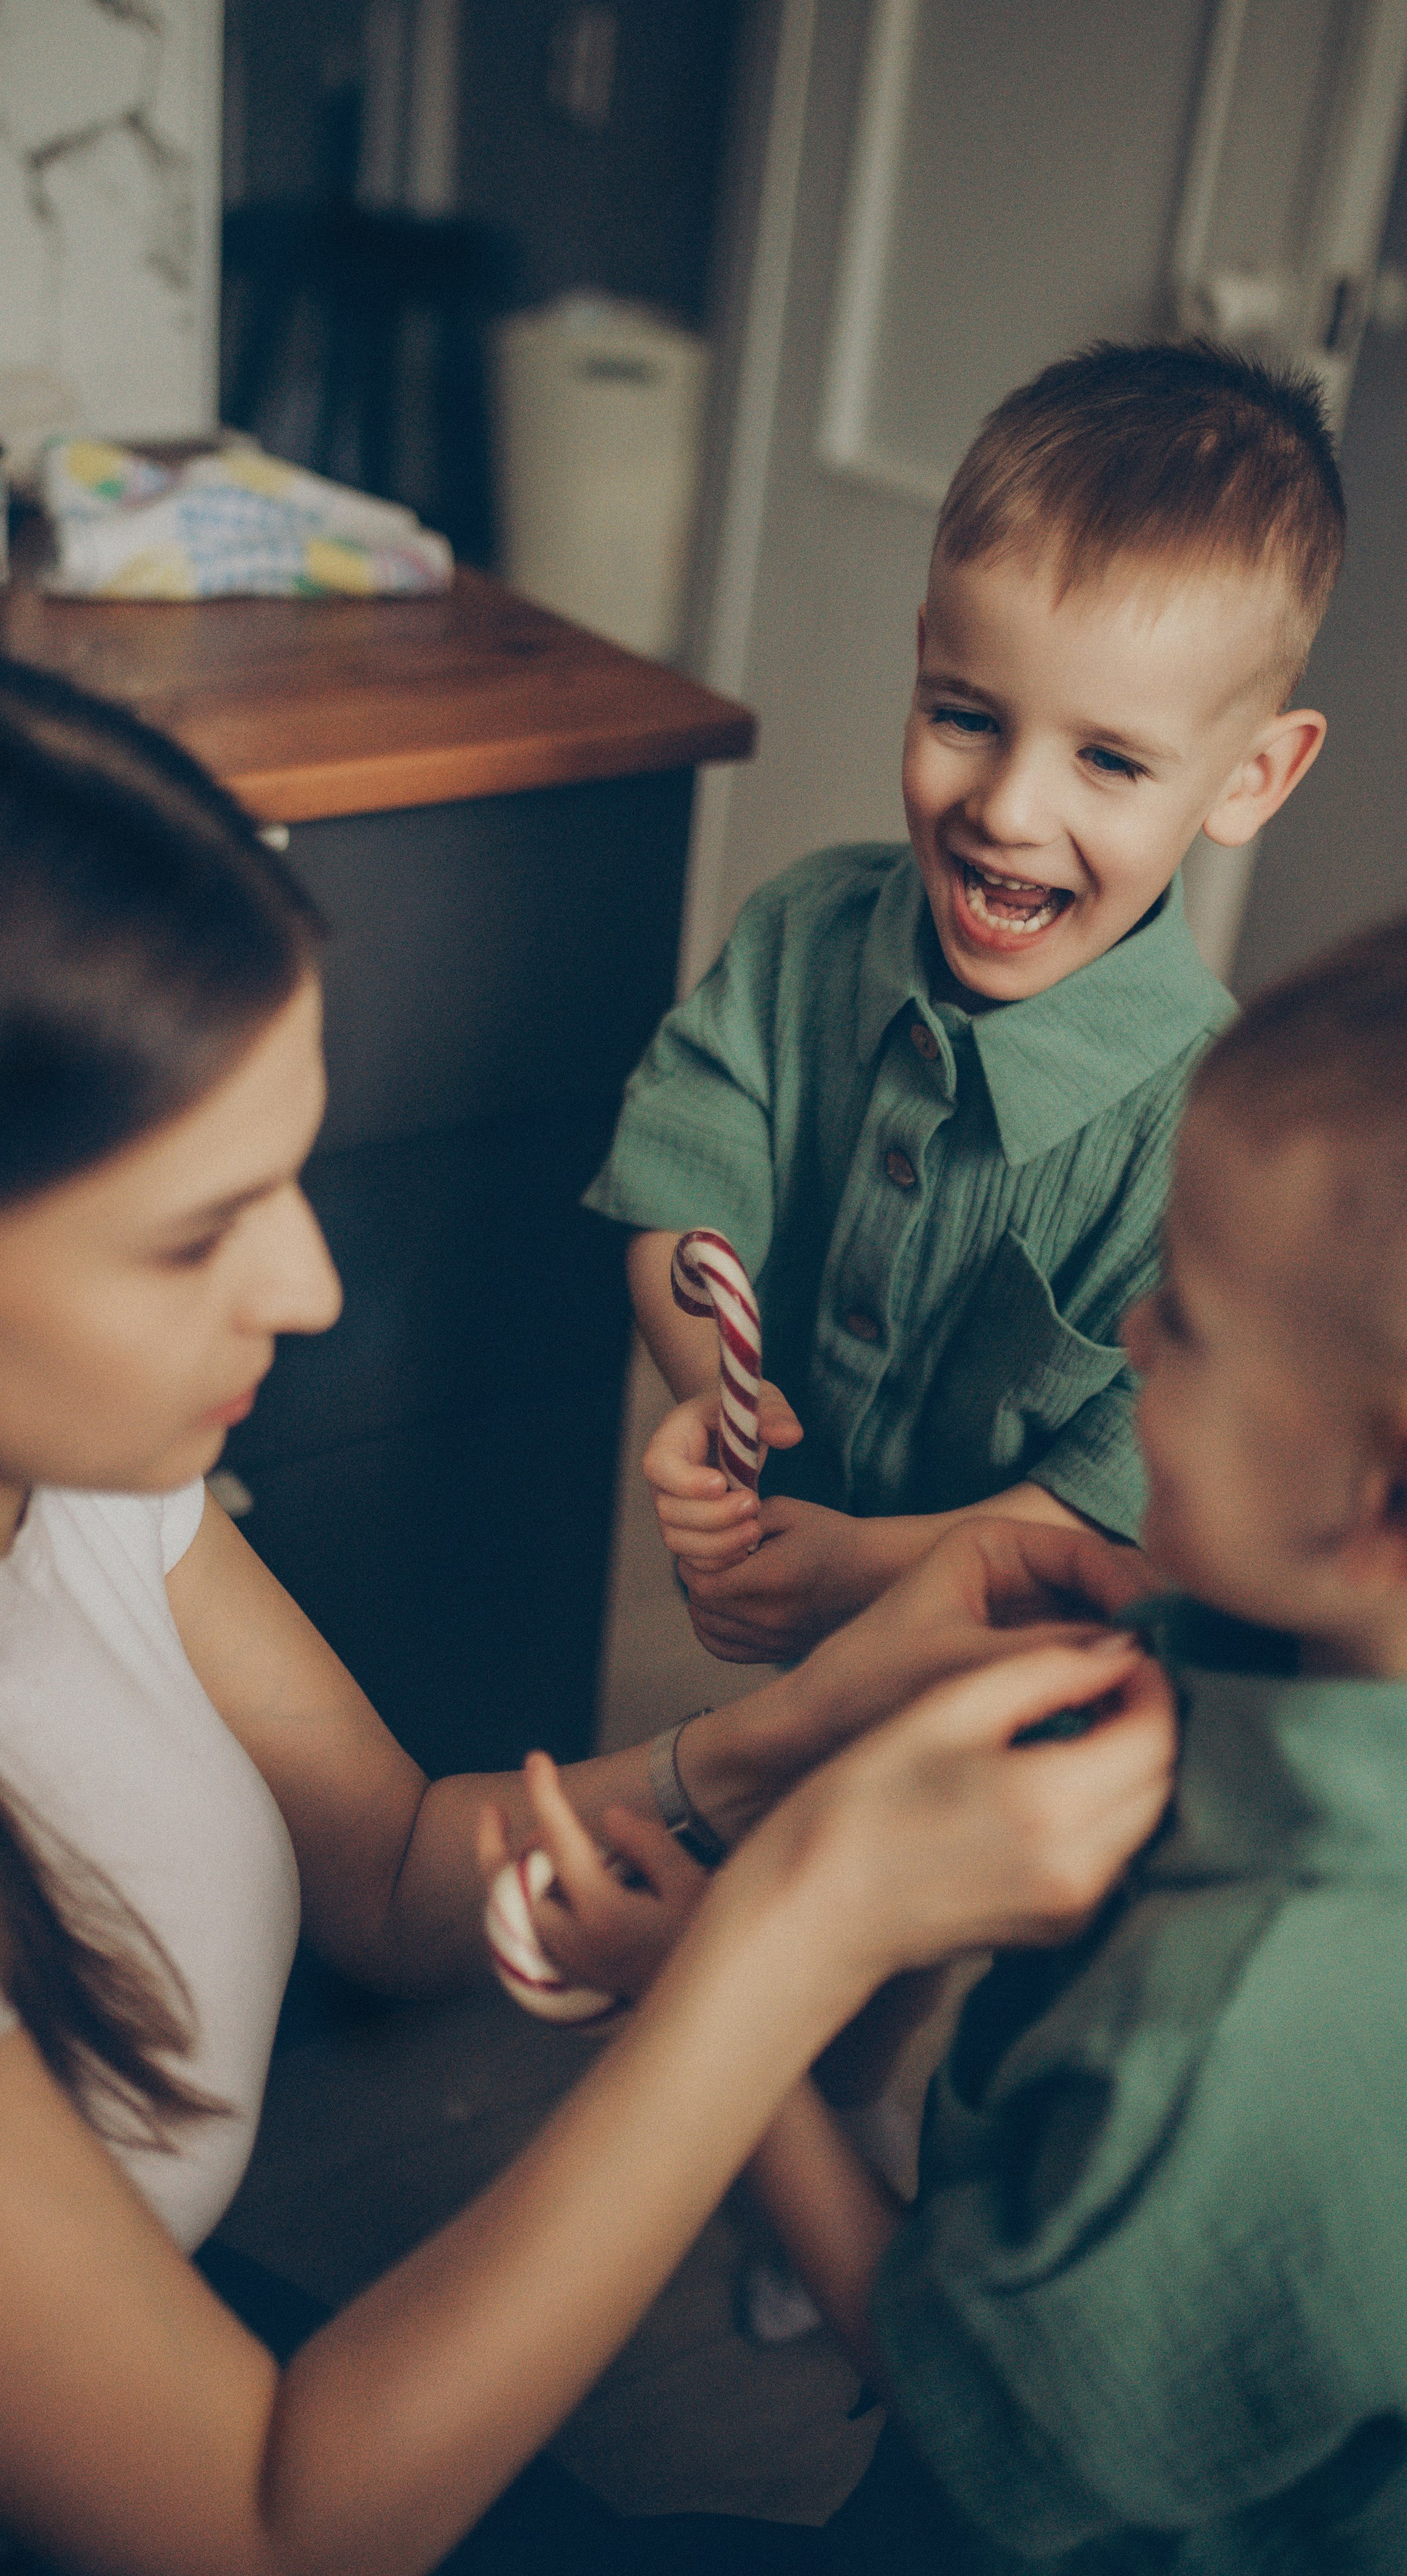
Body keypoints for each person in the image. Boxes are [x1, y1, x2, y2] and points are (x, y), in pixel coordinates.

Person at [0, 626, 1176, 2576]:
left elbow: (403, 1872)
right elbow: (278, 2530)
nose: (309, 1291)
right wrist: (808, 1924)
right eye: (194, 1234)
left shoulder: (42, 1471)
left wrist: (819, 1722)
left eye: (288, 1176)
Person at [534, 910, 1407, 2571]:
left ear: (1375, 1493)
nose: (1132, 1338)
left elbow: (960, 2407)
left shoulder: (1237, 2036)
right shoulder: (1272, 1643)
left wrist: (704, 1986)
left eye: (1190, 1327)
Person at [587, 340, 1340, 1669]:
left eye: (1108, 759)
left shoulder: (1225, 1132)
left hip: (1015, 1679)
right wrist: (723, 1403)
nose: (1007, 809)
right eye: (967, 716)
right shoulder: (802, 935)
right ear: (921, 655)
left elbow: (1131, 1465)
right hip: (799, 1638)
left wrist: (870, 1573)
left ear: (1250, 779)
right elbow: (682, 1174)